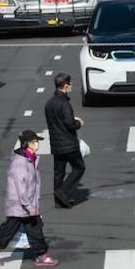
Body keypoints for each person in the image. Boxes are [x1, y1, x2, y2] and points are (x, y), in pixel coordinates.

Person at [0, 130, 59, 268]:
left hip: (27, 205)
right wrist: (29, 206)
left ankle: (41, 254)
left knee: (35, 228)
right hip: (19, 206)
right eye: (35, 142)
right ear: (27, 144)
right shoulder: (20, 163)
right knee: (8, 230)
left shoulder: (30, 159)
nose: (37, 144)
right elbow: (21, 189)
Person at [46, 72, 85, 207]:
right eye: (70, 84)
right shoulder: (64, 103)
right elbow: (69, 123)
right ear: (64, 86)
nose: (71, 86)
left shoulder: (49, 103)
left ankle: (59, 202)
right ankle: (62, 192)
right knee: (79, 167)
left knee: (59, 172)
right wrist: (78, 123)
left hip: (56, 144)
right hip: (68, 143)